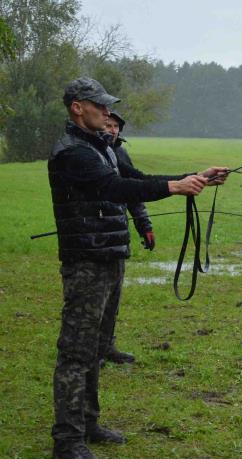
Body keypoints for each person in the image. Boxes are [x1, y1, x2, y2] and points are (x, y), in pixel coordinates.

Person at [48, 76, 229, 459]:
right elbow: (113, 188)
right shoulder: (72, 153)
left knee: (97, 348)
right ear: (77, 107)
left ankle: (89, 424)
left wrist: (193, 177)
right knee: (76, 353)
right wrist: (176, 187)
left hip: (110, 257)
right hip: (86, 262)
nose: (107, 112)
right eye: (100, 106)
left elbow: (134, 179)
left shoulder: (103, 148)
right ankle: (67, 440)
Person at [95, 111, 153, 366]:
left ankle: (107, 346)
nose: (112, 129)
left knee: (113, 297)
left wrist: (145, 225)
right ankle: (89, 352)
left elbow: (135, 191)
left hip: (117, 235)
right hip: (92, 236)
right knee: (93, 299)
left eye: (116, 125)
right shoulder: (88, 153)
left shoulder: (119, 154)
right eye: (108, 124)